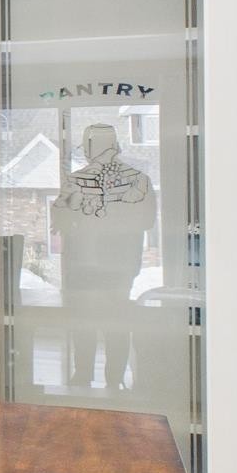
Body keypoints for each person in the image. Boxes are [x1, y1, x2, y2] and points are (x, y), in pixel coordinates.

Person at [50, 122, 154, 391]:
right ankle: (100, 377)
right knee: (102, 322)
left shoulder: (79, 181)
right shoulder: (138, 180)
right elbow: (59, 219)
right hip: (103, 264)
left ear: (89, 148)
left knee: (101, 322)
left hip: (108, 265)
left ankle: (98, 377)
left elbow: (60, 220)